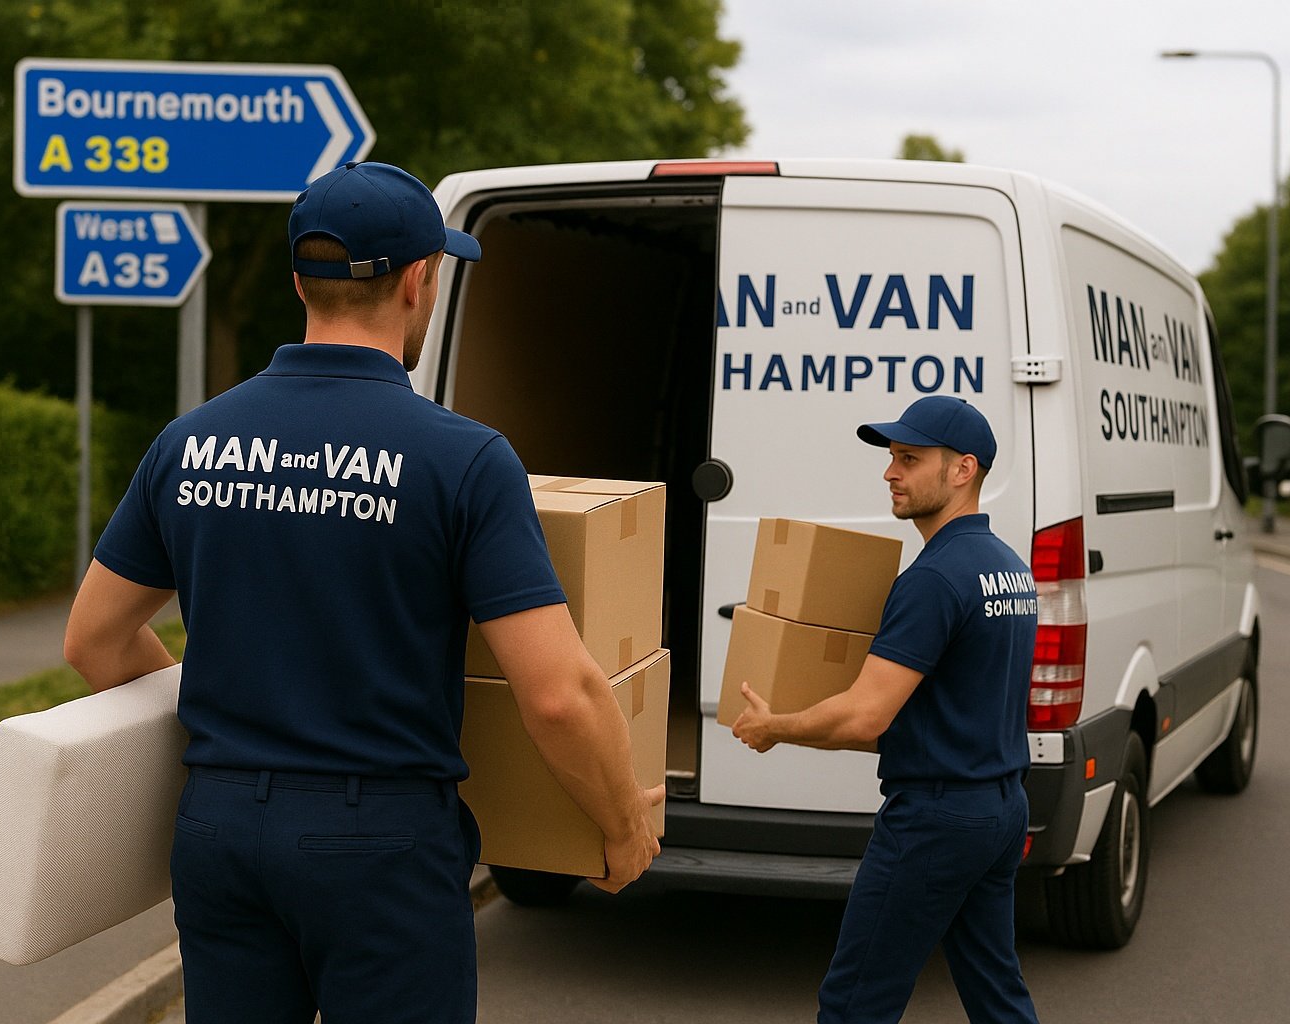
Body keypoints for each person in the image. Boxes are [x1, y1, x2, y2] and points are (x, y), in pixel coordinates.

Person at [63, 161, 663, 1024]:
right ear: (419, 279)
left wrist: (228, 730)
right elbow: (560, 695)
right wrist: (620, 825)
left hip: (219, 834)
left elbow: (95, 641)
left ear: (297, 280)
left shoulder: (188, 443)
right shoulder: (463, 459)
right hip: (378, 846)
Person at [732, 395, 1040, 1024]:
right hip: (1000, 809)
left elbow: (864, 717)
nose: (890, 472)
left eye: (909, 458)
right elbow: (958, 701)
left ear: (963, 470)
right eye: (891, 457)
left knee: (855, 1005)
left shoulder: (935, 578)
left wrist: (774, 728)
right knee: (997, 997)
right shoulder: (1008, 568)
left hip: (936, 818)